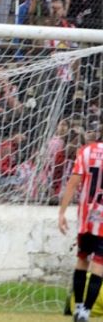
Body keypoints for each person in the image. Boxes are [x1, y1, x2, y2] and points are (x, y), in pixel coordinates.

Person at [58, 121, 103, 322]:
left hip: (86, 217)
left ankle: (77, 307)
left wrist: (62, 212)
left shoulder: (86, 151)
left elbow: (73, 183)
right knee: (99, 265)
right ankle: (85, 311)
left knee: (82, 259)